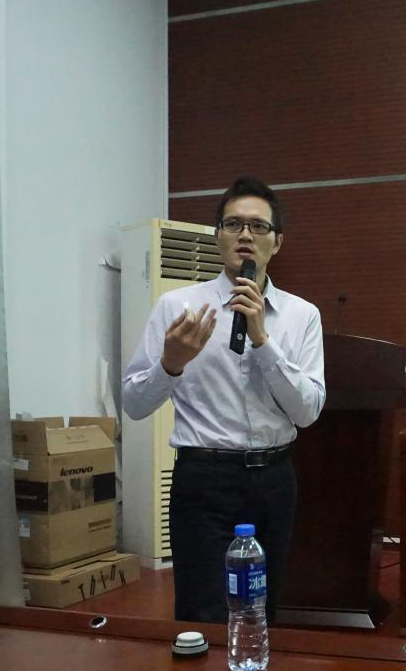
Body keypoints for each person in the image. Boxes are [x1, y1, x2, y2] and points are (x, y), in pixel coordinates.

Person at [122, 177, 325, 623]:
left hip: (274, 479)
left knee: (263, 610)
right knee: (202, 611)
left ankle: (257, 669)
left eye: (258, 226)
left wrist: (263, 341)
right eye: (233, 224)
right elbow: (134, 404)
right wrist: (171, 364)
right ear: (218, 236)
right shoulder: (176, 308)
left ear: (277, 242)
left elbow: (308, 411)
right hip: (203, 480)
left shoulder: (302, 315)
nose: (245, 235)